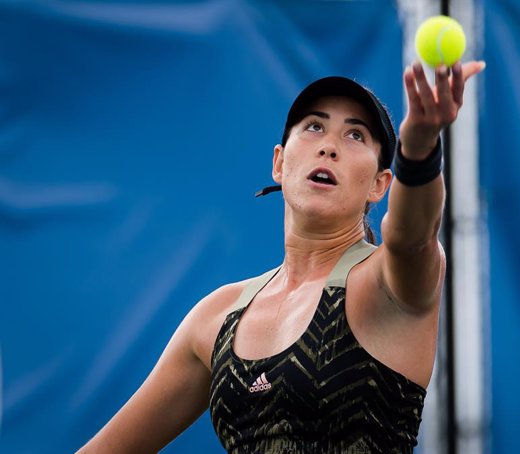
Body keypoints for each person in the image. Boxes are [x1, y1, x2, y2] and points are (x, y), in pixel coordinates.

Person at [77, 59, 485, 453]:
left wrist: (418, 148)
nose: (328, 146)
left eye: (355, 135)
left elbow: (412, 236)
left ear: (380, 184)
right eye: (313, 127)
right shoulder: (215, 317)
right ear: (279, 162)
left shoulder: (385, 284)